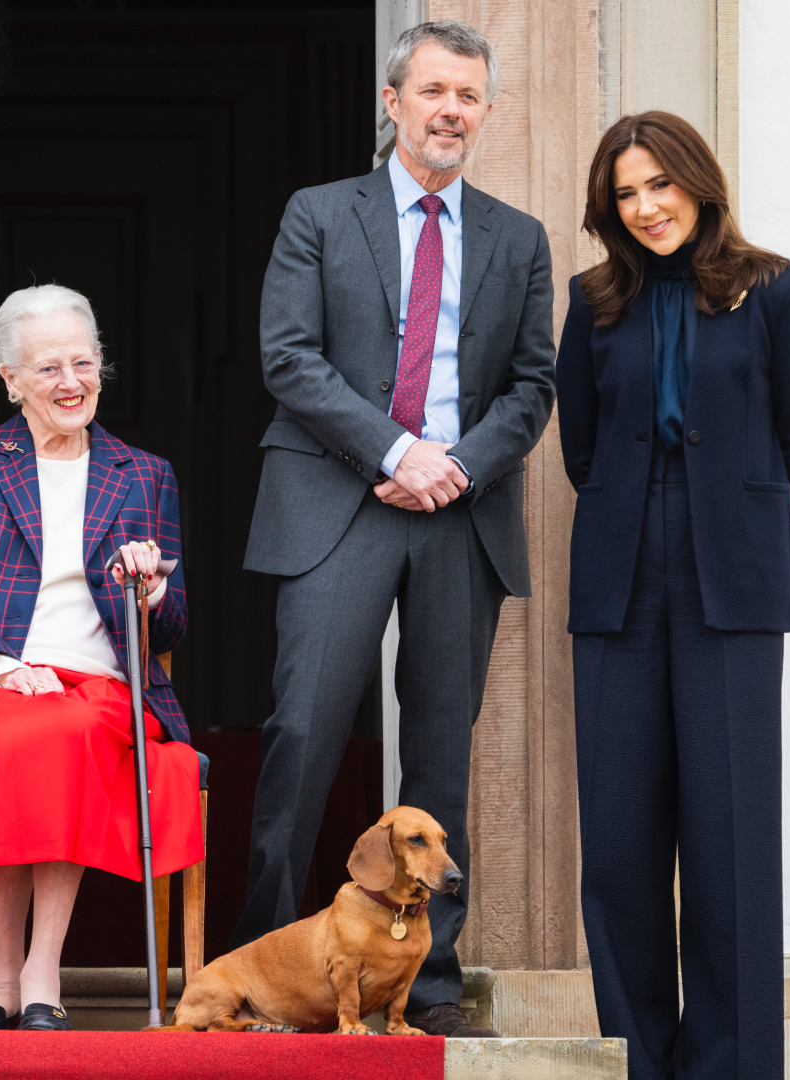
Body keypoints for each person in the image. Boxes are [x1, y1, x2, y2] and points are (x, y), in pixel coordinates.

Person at [235, 21, 556, 1037]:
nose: (451, 110)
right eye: (433, 92)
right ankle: (265, 972)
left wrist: (453, 464)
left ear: (487, 110)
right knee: (304, 735)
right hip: (340, 501)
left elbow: (533, 384)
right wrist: (397, 452)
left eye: (468, 94)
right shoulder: (321, 215)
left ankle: (429, 981)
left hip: (462, 515)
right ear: (394, 100)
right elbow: (289, 357)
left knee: (438, 759)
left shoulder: (518, 236)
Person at [556, 110, 790, 1079]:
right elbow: (582, 447)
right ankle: (643, 1060)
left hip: (735, 581)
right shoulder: (594, 302)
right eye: (625, 194)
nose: (646, 208)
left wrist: (732, 519)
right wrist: (651, 511)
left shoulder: (776, 291)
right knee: (620, 851)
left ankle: (734, 1064)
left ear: (697, 184)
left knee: (731, 843)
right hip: (620, 577)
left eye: (658, 185)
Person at [0, 284, 204, 1031]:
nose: (71, 383)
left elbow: (175, 628)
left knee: (62, 730)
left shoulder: (144, 473)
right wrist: (3, 664)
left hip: (101, 684)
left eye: (83, 363)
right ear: (10, 380)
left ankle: (38, 969)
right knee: (17, 731)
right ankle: (4, 973)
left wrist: (151, 591)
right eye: (49, 370)